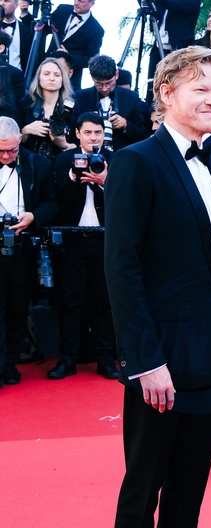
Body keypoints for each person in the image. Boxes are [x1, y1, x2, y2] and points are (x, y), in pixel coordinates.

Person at [104, 45, 211, 528]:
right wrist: (145, 360)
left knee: (191, 477)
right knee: (146, 477)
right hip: (160, 358)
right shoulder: (136, 162)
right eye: (201, 88)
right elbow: (122, 267)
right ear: (166, 94)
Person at [47, 112, 118, 381]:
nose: (93, 138)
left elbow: (123, 201)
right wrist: (74, 177)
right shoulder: (65, 159)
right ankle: (68, 359)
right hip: (73, 242)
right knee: (70, 302)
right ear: (77, 134)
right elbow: (60, 202)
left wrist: (105, 182)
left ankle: (105, 360)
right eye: (88, 132)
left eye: (98, 132)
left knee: (105, 303)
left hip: (104, 241)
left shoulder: (113, 159)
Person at [0, 115, 58, 386]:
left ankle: (10, 363)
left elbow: (53, 203)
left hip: (23, 247)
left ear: (21, 140)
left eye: (11, 150)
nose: (5, 156)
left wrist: (34, 216)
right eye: (0, 150)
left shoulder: (38, 165)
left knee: (17, 307)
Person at [19, 0, 104, 91]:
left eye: (81, 1)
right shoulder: (63, 9)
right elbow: (42, 28)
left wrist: (68, 57)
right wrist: (25, 14)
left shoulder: (96, 29)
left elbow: (92, 60)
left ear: (92, 3)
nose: (76, 3)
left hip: (69, 79)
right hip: (47, 68)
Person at [72, 54, 149, 152]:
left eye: (108, 83)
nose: (104, 89)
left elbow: (142, 135)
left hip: (121, 155)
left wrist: (125, 124)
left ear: (116, 75)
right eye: (99, 84)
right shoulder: (80, 97)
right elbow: (73, 133)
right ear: (92, 78)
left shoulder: (131, 97)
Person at [19, 57, 76, 162]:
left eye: (57, 75)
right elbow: (11, 141)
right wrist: (26, 130)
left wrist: (64, 145)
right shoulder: (26, 104)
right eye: (46, 74)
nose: (51, 78)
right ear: (39, 78)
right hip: (29, 164)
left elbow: (83, 147)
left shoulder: (73, 108)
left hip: (61, 165)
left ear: (63, 79)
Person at [147, 0, 201, 81]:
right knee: (152, 82)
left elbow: (176, 6)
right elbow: (157, 13)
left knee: (174, 82)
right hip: (159, 46)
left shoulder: (193, 2)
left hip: (179, 49)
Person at [0, 0, 32, 71]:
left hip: (18, 75)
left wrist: (24, 13)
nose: (2, 3)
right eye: (0, 0)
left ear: (16, 4)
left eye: (7, 1)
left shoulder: (24, 28)